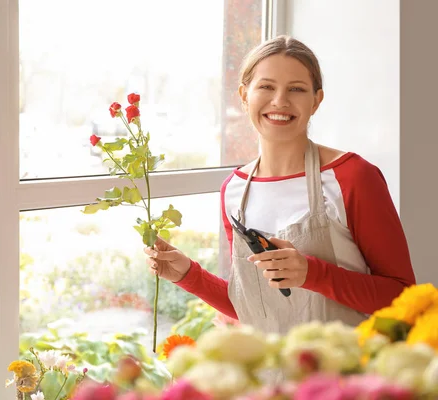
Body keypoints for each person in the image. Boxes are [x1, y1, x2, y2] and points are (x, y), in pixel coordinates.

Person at [144, 35, 416, 334]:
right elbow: (255, 309)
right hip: (274, 375)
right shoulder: (234, 191)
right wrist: (187, 274)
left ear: (316, 100)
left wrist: (314, 273)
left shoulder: (352, 177)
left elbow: (404, 299)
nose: (280, 101)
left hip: (348, 372)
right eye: (266, 87)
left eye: (296, 89)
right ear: (244, 95)